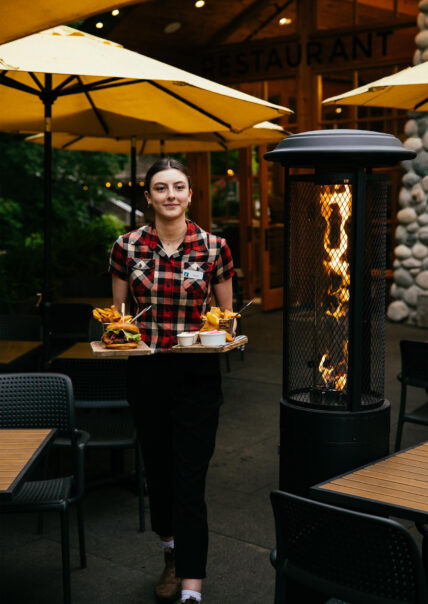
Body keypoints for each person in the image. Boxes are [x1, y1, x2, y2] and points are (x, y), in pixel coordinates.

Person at [108, 157, 235, 604]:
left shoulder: (214, 247)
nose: (171, 195)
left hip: (197, 375)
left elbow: (227, 319)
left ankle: (192, 586)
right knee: (159, 476)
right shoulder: (126, 246)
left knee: (189, 479)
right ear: (148, 197)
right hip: (146, 373)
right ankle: (171, 554)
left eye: (179, 187)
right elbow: (118, 320)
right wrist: (117, 338)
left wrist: (223, 335)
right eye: (161, 188)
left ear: (190, 194)